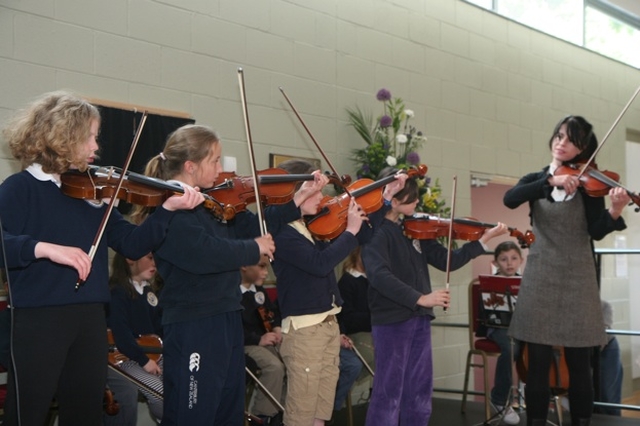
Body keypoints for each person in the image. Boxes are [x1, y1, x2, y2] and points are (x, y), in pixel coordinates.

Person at [0, 91, 203, 426]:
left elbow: (133, 245)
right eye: (91, 137)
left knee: (84, 412)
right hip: (38, 321)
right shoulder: (19, 189)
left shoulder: (91, 194)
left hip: (91, 318)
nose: (96, 147)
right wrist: (44, 248)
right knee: (27, 413)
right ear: (65, 137)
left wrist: (166, 209)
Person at [134, 125, 326, 426]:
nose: (221, 169)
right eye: (215, 161)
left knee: (228, 410)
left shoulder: (215, 203)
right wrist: (253, 249)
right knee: (194, 412)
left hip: (226, 314)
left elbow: (256, 226)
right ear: (190, 166)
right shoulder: (170, 210)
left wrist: (298, 200)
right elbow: (205, 253)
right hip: (193, 322)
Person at [503, 115, 629, 426]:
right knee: (538, 363)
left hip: (578, 279)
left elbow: (596, 231)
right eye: (559, 135)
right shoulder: (536, 179)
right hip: (541, 275)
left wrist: (614, 210)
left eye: (570, 140)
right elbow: (510, 199)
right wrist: (550, 181)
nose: (562, 142)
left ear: (582, 149)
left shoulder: (589, 186)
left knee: (579, 362)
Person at [361, 168, 507, 426]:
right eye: (412, 198)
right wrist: (421, 298)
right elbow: (379, 276)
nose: (418, 202)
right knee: (389, 392)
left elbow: (445, 261)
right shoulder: (376, 233)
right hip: (392, 320)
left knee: (419, 390)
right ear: (393, 199)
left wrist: (481, 242)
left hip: (419, 319)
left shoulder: (415, 229)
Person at [272, 159, 406, 426]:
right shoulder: (283, 233)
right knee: (301, 414)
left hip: (327, 326)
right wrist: (350, 231)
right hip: (304, 331)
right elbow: (320, 264)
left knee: (321, 411)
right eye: (316, 190)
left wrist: (386, 199)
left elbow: (363, 237)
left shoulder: (311, 226)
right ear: (294, 194)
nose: (323, 198)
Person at [105, 252, 164, 426]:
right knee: (159, 392)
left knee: (182, 382)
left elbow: (159, 328)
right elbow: (121, 334)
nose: (155, 263)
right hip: (127, 359)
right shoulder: (117, 292)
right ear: (130, 260)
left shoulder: (148, 292)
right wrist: (144, 360)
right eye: (149, 258)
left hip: (153, 355)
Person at [240, 254, 285, 426]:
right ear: (244, 266)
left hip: (264, 341)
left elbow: (272, 313)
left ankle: (281, 410)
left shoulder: (258, 291)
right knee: (274, 367)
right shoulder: (231, 293)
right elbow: (232, 329)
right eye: (261, 267)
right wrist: (258, 338)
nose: (266, 273)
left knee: (290, 361)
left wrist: (277, 329)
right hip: (246, 344)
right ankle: (262, 417)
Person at [485, 241, 524, 425]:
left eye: (514, 258)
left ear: (521, 261)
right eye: (504, 259)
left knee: (540, 347)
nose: (509, 263)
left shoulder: (526, 282)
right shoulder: (489, 283)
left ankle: (552, 392)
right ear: (496, 262)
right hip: (497, 328)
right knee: (510, 349)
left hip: (521, 328)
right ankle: (500, 399)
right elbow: (485, 312)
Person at [597, 299, 623, 416]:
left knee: (608, 395)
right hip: (581, 349)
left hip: (606, 347)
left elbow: (603, 334)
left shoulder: (604, 305)